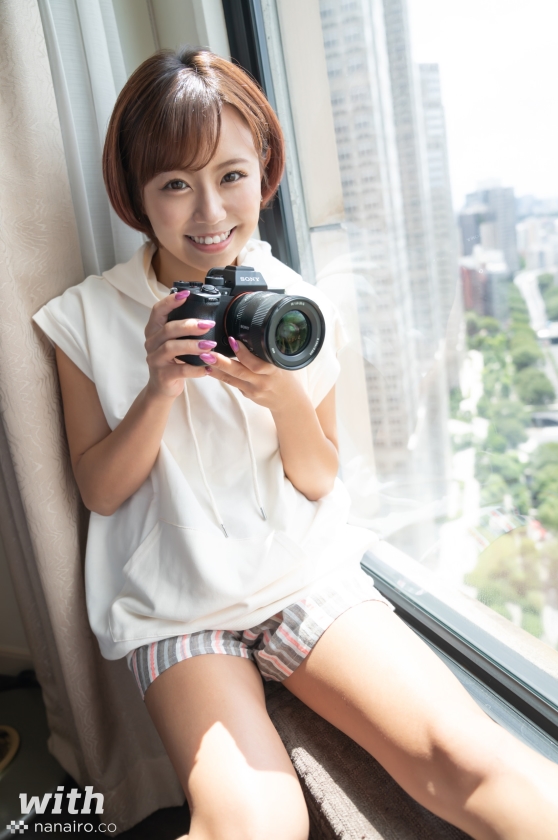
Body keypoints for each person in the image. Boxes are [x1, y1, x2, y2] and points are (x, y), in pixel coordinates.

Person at [33, 48, 558, 840]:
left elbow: (318, 479)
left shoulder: (298, 307)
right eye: (175, 184)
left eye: (232, 176)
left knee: (467, 757)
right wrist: (159, 387)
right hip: (177, 607)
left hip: (304, 577)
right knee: (257, 821)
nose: (211, 211)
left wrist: (284, 397)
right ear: (134, 194)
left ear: (265, 173)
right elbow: (101, 491)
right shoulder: (84, 317)